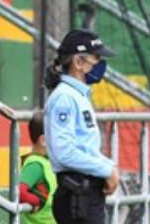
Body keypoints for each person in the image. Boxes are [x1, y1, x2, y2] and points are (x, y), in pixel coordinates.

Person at [44, 30, 121, 224]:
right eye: (96, 58)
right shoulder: (65, 97)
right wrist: (106, 169)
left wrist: (109, 166)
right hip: (78, 197)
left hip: (86, 195)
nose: (100, 64)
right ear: (78, 62)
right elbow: (65, 151)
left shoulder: (77, 95)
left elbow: (84, 146)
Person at [20, 111, 58, 224]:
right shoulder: (35, 165)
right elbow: (19, 191)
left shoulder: (49, 161)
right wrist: (36, 201)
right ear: (43, 140)